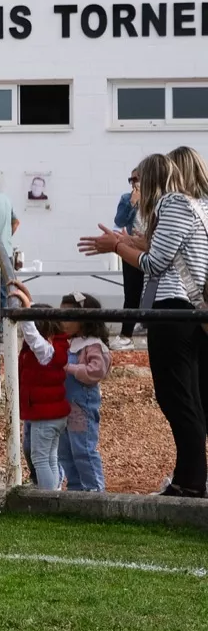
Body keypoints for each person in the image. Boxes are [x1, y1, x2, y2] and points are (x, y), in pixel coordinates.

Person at [79, 148, 208, 497]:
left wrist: (118, 247)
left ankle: (193, 482)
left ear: (150, 180)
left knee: (178, 398)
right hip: (185, 312)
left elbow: (153, 262)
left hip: (173, 311)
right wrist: (119, 241)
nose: (134, 187)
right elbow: (158, 245)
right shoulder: (192, 206)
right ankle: (189, 477)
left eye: (137, 180)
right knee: (184, 398)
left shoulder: (173, 205)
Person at [7, 283, 70, 490]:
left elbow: (32, 334)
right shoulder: (55, 346)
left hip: (46, 416)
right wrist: (27, 298)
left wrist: (25, 311)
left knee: (41, 459)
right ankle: (54, 492)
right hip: (51, 415)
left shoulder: (44, 352)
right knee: (49, 457)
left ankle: (47, 499)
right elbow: (36, 328)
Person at [57, 291, 111, 492]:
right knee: (65, 450)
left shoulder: (92, 345)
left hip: (81, 407)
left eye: (69, 317)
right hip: (64, 406)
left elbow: (96, 371)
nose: (64, 322)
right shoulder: (68, 343)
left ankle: (94, 490)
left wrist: (70, 368)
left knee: (83, 448)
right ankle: (75, 488)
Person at [113, 172, 143, 350]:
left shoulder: (158, 198)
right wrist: (132, 203)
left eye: (137, 178)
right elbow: (119, 220)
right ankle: (126, 335)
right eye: (131, 179)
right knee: (131, 292)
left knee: (152, 293)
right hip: (132, 249)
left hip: (152, 249)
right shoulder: (126, 198)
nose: (134, 182)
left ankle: (149, 328)